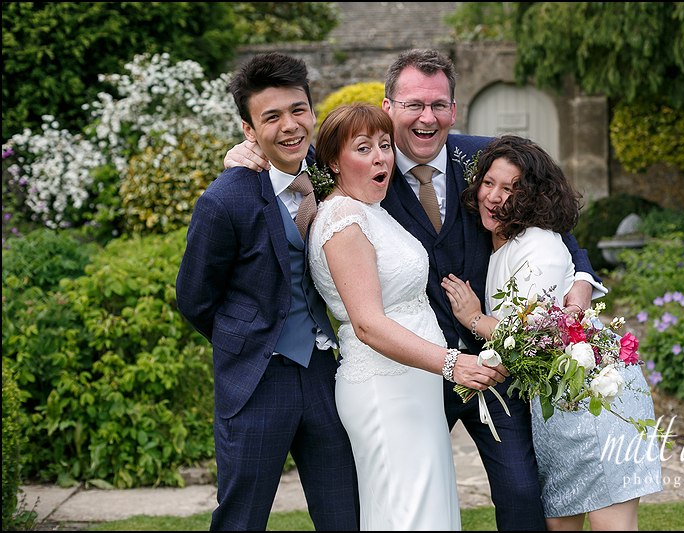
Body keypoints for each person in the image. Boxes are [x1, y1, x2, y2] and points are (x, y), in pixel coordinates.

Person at [223, 48, 606, 531]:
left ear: (453, 108)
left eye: (438, 104)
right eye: (413, 105)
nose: (427, 117)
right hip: (407, 371)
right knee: (402, 499)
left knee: (520, 492)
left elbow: (552, 218)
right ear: (389, 107)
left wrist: (581, 280)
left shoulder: (485, 158)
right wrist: (244, 154)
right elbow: (287, 159)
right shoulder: (350, 168)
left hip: (490, 365)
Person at [175, 52, 360, 531]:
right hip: (257, 379)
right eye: (271, 117)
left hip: (324, 372)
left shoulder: (329, 172)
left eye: (298, 110)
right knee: (241, 519)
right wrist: (246, 339)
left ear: (312, 111)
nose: (290, 126)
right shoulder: (224, 200)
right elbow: (194, 298)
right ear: (249, 130)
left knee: (345, 514)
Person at [442, 134, 663, 531]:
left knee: (610, 521)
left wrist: (474, 318)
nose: (494, 197)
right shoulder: (499, 240)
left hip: (595, 394)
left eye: (510, 189)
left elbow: (533, 340)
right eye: (488, 183)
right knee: (559, 522)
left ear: (532, 197)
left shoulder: (539, 245)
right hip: (556, 402)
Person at [308, 103, 508, 530]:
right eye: (363, 148)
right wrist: (453, 363)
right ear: (333, 162)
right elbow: (367, 324)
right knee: (409, 514)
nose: (381, 157)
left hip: (414, 386)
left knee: (425, 511)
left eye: (384, 145)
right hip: (385, 389)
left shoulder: (371, 209)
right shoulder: (343, 218)